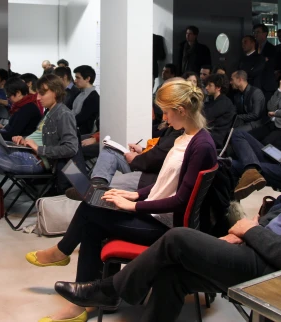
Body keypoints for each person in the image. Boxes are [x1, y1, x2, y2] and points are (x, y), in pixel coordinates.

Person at [53, 108, 281, 322]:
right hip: (259, 245)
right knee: (172, 273)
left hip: (278, 272)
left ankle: (109, 289)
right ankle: (110, 290)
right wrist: (251, 225)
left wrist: (248, 231)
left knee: (177, 239)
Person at [28, 79, 217, 322]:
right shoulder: (185, 137)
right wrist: (135, 194)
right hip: (155, 215)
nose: (165, 119)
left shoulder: (200, 145)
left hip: (167, 229)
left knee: (91, 213)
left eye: (166, 113)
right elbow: (165, 184)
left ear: (181, 111)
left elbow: (180, 200)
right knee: (95, 209)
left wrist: (134, 205)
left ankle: (66, 263)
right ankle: (85, 296)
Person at [0, 74, 78, 230]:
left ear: (55, 92)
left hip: (35, 160)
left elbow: (71, 147)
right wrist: (24, 138)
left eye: (42, 93)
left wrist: (38, 148)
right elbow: (39, 137)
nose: (38, 97)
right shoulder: (50, 112)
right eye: (38, 93)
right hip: (25, 154)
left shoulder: (63, 114)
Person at [77, 126, 185, 195]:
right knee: (109, 150)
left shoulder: (181, 135)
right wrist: (142, 151)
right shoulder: (173, 130)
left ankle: (95, 189)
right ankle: (97, 183)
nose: (164, 117)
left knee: (108, 185)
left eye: (166, 112)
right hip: (147, 165)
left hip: (149, 177)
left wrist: (135, 159)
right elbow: (159, 153)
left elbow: (157, 158)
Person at [203, 73, 234, 150]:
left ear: (218, 88)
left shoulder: (224, 102)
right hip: (209, 133)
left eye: (210, 85)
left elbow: (206, 116)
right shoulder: (214, 101)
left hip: (215, 137)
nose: (206, 88)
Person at [73, 65, 100, 136]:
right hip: (73, 129)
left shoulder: (93, 97)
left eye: (78, 78)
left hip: (82, 134)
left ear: (87, 79)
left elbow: (81, 119)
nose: (75, 81)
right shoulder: (79, 94)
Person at [253, 24, 277, 99]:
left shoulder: (272, 48)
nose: (256, 34)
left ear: (265, 33)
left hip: (267, 84)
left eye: (258, 32)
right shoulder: (253, 47)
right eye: (254, 32)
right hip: (255, 84)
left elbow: (272, 64)